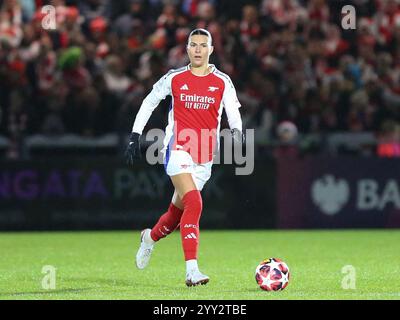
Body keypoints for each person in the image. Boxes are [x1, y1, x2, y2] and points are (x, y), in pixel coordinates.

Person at [125, 28, 243, 286]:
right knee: (195, 203)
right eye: (193, 45)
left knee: (175, 215)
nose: (198, 49)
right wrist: (135, 134)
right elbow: (149, 101)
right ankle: (192, 271)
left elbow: (233, 111)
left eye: (203, 45)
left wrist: (238, 133)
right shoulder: (175, 78)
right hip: (177, 149)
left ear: (211, 50)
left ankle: (149, 238)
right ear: (187, 49)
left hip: (204, 157)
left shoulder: (223, 81)